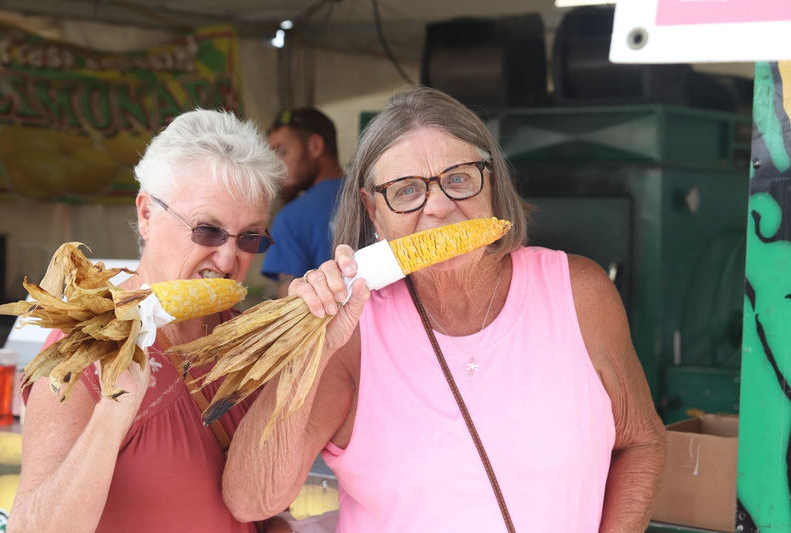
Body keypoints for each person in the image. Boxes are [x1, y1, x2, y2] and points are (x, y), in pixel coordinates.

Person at [223, 86, 667, 532]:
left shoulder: (579, 293)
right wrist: (308, 348)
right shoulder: (352, 333)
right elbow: (252, 500)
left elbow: (641, 441)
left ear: (491, 182)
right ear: (372, 211)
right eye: (406, 190)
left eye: (458, 178)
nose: (438, 207)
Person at [8, 109, 291, 533]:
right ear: (146, 214)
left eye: (250, 237)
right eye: (207, 230)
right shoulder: (85, 348)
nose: (230, 259)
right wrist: (112, 414)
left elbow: (258, 510)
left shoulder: (248, 343)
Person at [262, 108, 344, 297]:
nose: (275, 166)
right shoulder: (376, 195)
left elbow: (291, 304)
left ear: (315, 146)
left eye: (282, 152)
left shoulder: (291, 218)